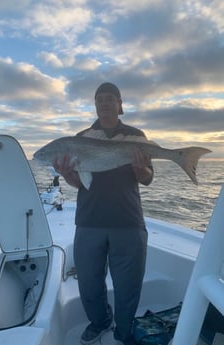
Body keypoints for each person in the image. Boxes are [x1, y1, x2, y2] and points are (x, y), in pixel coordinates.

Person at [53, 82, 153, 345]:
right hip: (89, 221)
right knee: (87, 283)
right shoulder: (81, 137)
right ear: (95, 105)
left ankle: (124, 331)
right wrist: (66, 174)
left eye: (110, 99)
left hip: (128, 221)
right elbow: (80, 183)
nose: (104, 103)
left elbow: (147, 178)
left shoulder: (135, 135)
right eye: (99, 99)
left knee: (128, 285)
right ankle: (100, 321)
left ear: (120, 104)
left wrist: (139, 168)